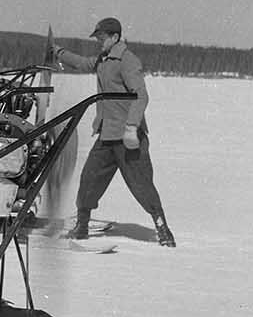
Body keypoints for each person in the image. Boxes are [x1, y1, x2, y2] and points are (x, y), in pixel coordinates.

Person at [50, 17, 176, 247]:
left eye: (102, 38)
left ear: (115, 37)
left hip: (128, 138)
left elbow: (141, 95)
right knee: (89, 180)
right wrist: (59, 53)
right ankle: (82, 227)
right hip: (107, 135)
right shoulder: (103, 59)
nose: (99, 42)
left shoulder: (127, 61)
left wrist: (131, 127)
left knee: (142, 185)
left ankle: (163, 229)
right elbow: (83, 63)